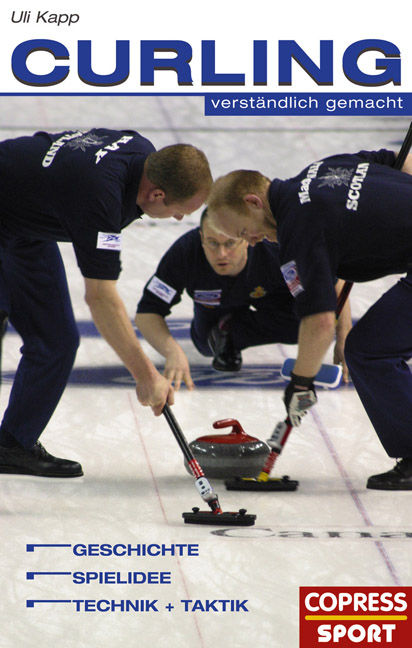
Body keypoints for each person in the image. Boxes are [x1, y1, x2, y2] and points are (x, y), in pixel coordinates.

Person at [0, 128, 212, 478]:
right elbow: (100, 299)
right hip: (14, 209)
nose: (178, 220)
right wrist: (145, 376)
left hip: (23, 224)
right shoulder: (100, 197)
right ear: (157, 194)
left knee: (56, 341)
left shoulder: (142, 153)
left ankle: (12, 446)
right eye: (180, 211)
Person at [207, 146, 412, 491]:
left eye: (243, 232)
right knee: (368, 348)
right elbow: (395, 159)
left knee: (370, 352)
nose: (252, 242)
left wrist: (301, 383)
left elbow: (319, 321)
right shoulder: (322, 170)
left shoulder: (298, 229)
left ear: (254, 203)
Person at [135, 208, 351, 390]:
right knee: (206, 345)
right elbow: (147, 312)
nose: (221, 254)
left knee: (308, 328)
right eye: (212, 243)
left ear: (246, 240)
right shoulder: (185, 252)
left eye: (229, 244)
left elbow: (333, 282)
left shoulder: (274, 247)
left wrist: (344, 337)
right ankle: (225, 328)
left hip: (272, 296)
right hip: (214, 305)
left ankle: (236, 327)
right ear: (201, 238)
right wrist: (172, 352)